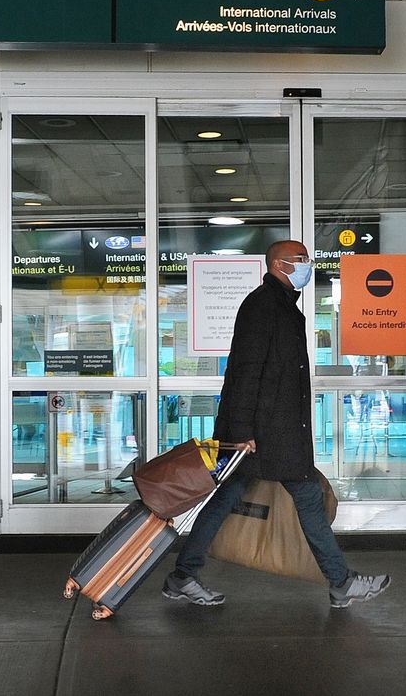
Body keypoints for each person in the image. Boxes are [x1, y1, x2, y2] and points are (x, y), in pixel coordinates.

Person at [162, 240, 390, 609]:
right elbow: (245, 372)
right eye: (302, 260)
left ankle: (182, 576)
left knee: (228, 500)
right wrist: (241, 432)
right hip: (263, 434)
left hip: (273, 432)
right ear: (280, 264)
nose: (308, 265)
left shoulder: (282, 307)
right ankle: (340, 582)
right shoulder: (262, 306)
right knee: (300, 498)